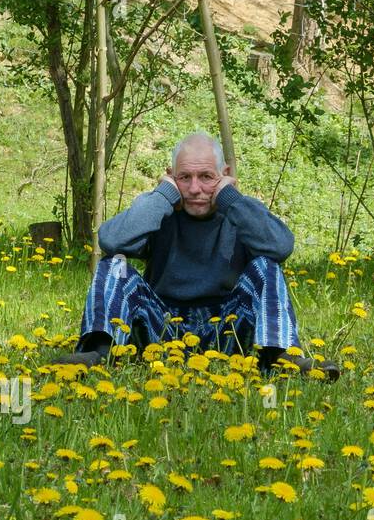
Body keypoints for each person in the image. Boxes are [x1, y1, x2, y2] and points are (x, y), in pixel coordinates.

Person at [51, 131, 339, 380]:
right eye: (184, 177)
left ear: (224, 175)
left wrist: (231, 200)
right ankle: (98, 351)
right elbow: (112, 240)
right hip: (162, 329)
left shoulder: (240, 210)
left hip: (226, 330)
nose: (195, 189)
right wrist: (163, 196)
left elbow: (281, 246)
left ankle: (281, 357)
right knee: (114, 265)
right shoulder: (159, 209)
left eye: (206, 177)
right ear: (171, 176)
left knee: (266, 266)